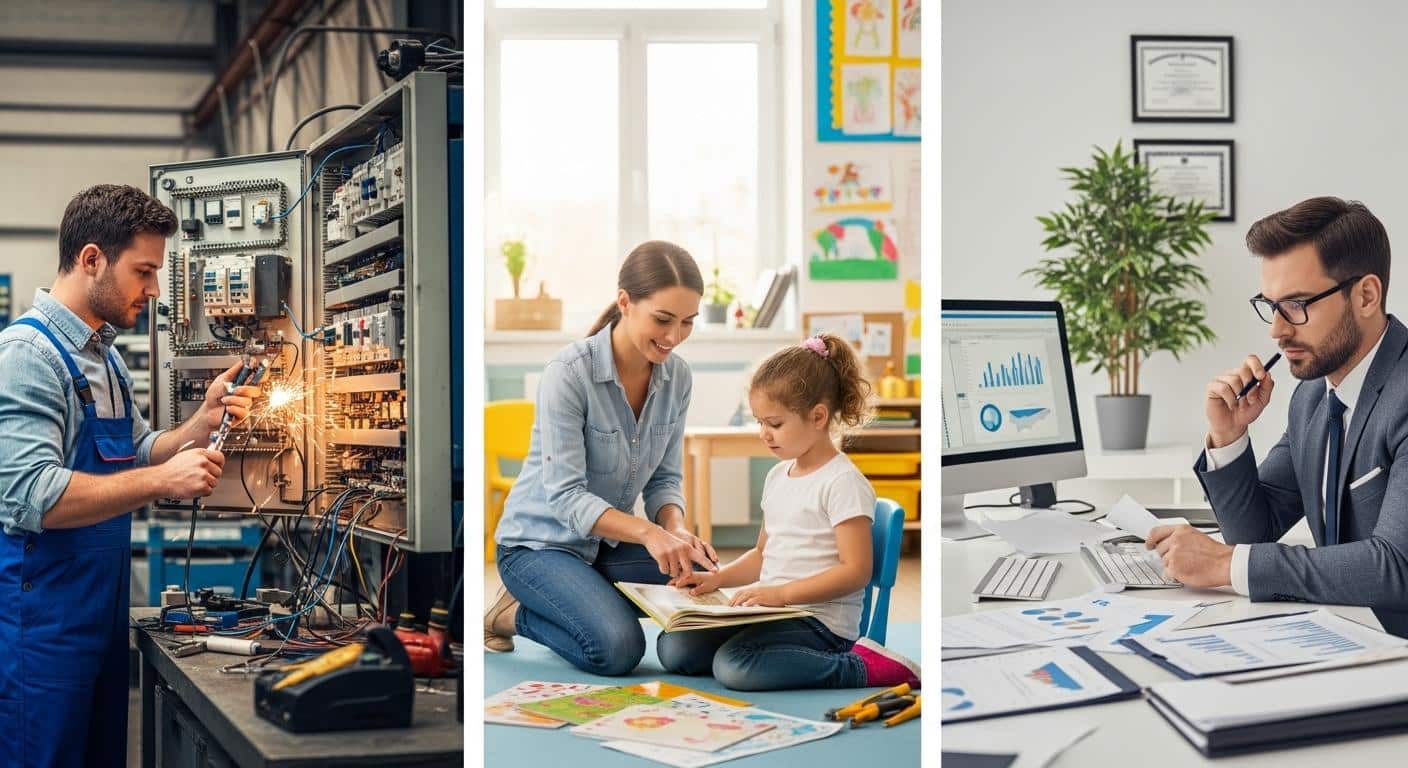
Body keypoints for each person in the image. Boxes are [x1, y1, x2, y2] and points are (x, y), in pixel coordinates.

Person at [0, 184, 264, 767]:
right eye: (143, 271)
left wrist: (202, 422)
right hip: (43, 630)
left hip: (98, 619)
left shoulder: (105, 356)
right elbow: (29, 495)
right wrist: (164, 481)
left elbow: (139, 448)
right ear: (92, 259)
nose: (154, 289)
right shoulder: (27, 356)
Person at [1148, 196, 1408, 637]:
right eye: (1271, 305)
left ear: (1366, 295)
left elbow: (1396, 567)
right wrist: (1228, 436)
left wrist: (1225, 564)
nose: (1277, 330)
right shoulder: (1312, 395)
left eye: (1297, 304)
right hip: (1345, 638)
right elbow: (1256, 531)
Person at [484, 241, 718, 675]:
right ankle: (509, 613)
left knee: (704, 583)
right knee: (617, 648)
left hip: (608, 546)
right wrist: (649, 534)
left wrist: (676, 530)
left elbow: (665, 478)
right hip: (537, 546)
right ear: (625, 303)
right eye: (663, 320)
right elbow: (567, 498)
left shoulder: (677, 377)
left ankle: (587, 593)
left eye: (687, 323)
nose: (673, 337)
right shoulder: (568, 374)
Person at [655, 333, 921, 691]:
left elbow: (856, 571)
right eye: (759, 422)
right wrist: (718, 579)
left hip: (821, 623)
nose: (764, 434)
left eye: (775, 424)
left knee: (735, 666)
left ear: (818, 416)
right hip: (775, 611)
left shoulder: (843, 482)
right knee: (675, 648)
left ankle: (860, 668)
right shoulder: (778, 475)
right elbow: (763, 553)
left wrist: (780, 595)